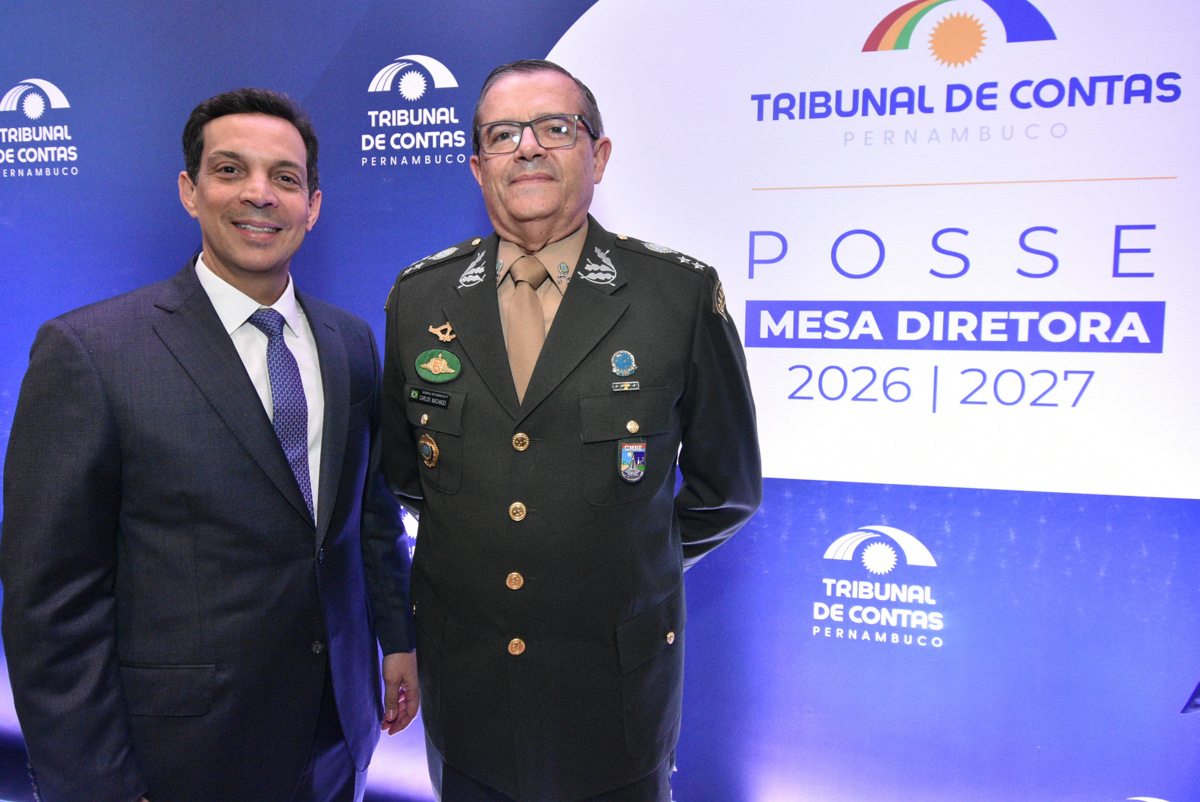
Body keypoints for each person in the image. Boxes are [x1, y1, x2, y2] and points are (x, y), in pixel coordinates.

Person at [0, 88, 418, 802]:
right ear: (190, 191)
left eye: (285, 177)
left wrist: (396, 637)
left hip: (336, 736)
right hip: (179, 755)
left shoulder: (350, 341)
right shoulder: (90, 352)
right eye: (230, 170)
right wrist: (96, 785)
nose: (260, 194)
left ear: (312, 206)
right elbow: (50, 601)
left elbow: (368, 516)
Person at [380, 60, 762, 801]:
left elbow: (727, 489)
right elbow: (406, 476)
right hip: (469, 693)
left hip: (613, 692)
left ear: (599, 154)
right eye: (503, 134)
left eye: (556, 128)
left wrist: (622, 560)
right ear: (478, 166)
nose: (528, 147)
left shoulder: (677, 295)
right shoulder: (419, 296)